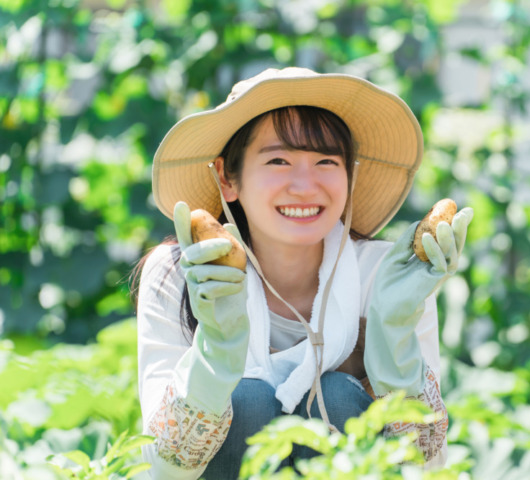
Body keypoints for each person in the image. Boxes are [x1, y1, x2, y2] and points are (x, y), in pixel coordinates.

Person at [134, 67, 473, 479]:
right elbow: (159, 468)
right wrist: (217, 351)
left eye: (326, 161)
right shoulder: (184, 274)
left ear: (349, 174)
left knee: (335, 399)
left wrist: (393, 333)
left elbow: (426, 467)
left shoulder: (387, 276)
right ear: (227, 178)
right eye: (278, 159)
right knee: (249, 402)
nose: (305, 185)